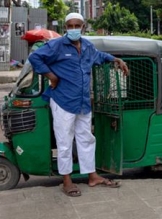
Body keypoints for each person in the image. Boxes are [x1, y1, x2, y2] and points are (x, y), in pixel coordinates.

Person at [29, 12, 129, 197]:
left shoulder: (88, 47)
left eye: (77, 25)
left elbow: (99, 56)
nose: (74, 29)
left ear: (83, 27)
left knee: (86, 139)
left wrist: (116, 59)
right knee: (65, 142)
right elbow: (35, 58)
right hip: (63, 101)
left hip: (83, 102)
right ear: (65, 27)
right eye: (70, 26)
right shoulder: (57, 45)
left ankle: (92, 176)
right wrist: (51, 76)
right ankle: (66, 181)